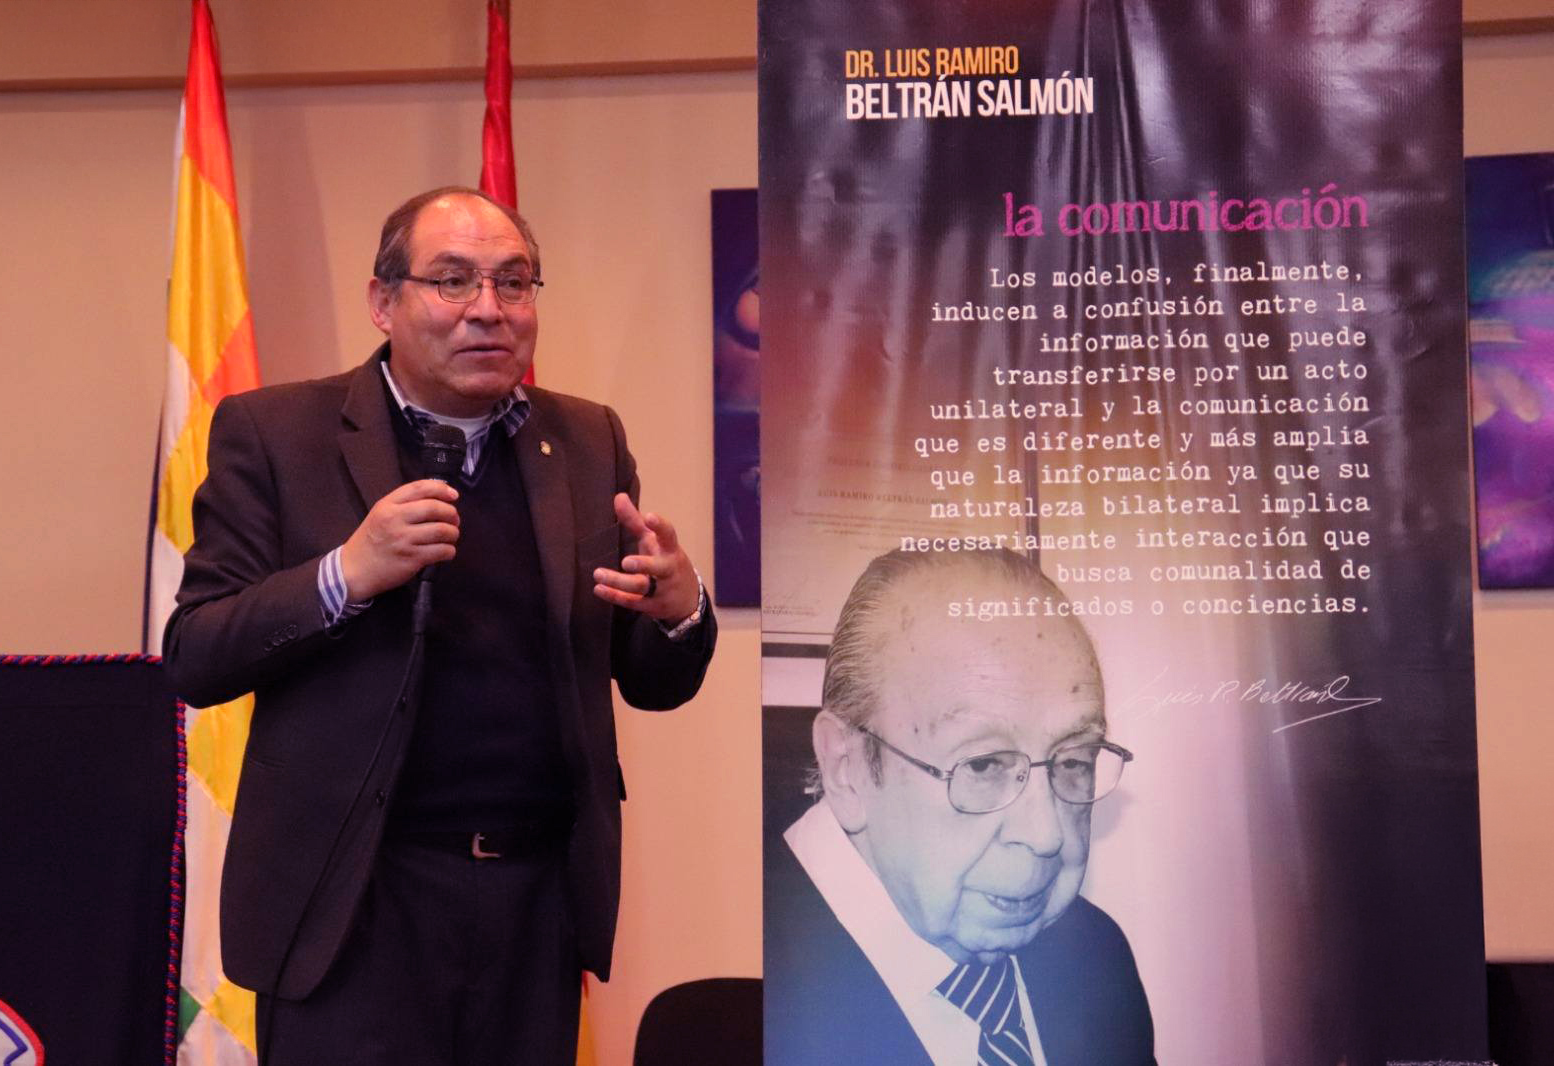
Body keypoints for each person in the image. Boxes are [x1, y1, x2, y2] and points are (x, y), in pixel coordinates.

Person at [163, 186, 716, 1065]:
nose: (488, 309)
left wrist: (680, 611)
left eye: (513, 282)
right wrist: (347, 573)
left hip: (533, 903)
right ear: (384, 302)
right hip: (353, 901)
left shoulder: (587, 440)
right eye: (453, 281)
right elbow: (197, 653)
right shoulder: (277, 433)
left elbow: (648, 680)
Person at [765, 549, 1153, 1066]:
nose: (1047, 835)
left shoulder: (1096, 956)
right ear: (847, 767)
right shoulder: (738, 1003)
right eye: (984, 765)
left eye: (1073, 761)